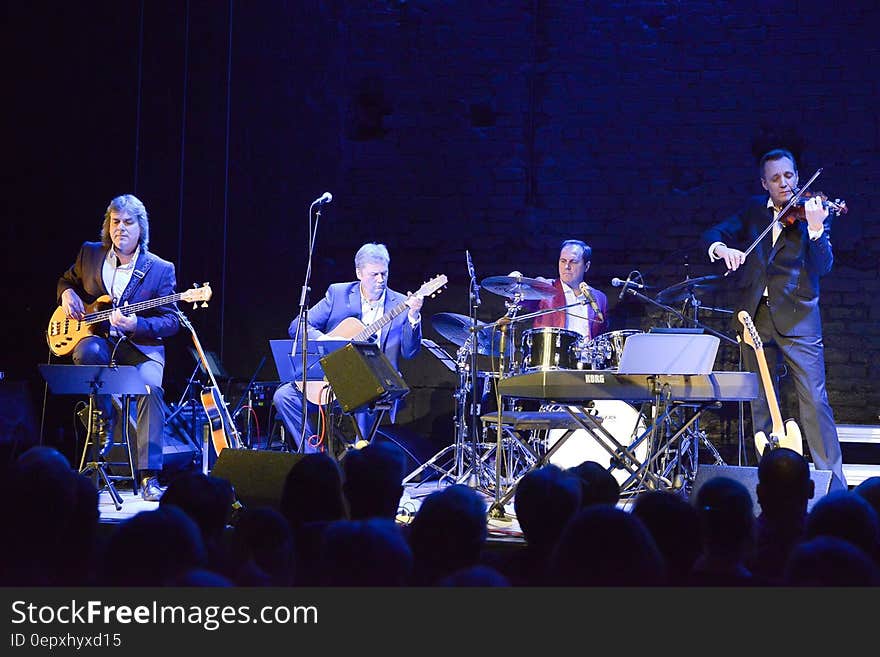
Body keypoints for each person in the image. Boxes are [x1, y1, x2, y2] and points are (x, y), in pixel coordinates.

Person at [702, 149, 846, 490]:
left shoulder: (814, 211)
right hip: (756, 318)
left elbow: (823, 266)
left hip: (799, 318)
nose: (785, 183)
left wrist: (816, 230)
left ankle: (834, 485)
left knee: (814, 400)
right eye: (777, 178)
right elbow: (713, 234)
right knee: (761, 403)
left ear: (797, 175)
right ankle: (768, 481)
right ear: (764, 183)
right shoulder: (755, 210)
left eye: (790, 175)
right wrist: (723, 250)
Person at [57, 194, 179, 501]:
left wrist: (136, 324)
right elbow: (66, 280)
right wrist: (66, 293)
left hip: (140, 347)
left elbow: (171, 322)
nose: (120, 229)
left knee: (151, 389)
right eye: (115, 222)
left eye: (127, 223)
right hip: (100, 340)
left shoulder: (160, 269)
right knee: (86, 352)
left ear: (141, 228)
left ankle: (150, 477)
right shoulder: (90, 254)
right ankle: (105, 415)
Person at [272, 243, 423, 453]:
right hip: (333, 379)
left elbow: (410, 352)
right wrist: (324, 340)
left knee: (363, 394)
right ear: (359, 273)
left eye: (384, 274)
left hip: (373, 384)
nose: (380, 280)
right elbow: (297, 325)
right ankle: (314, 457)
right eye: (374, 275)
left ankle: (361, 463)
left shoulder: (400, 303)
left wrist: (413, 317)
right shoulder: (339, 293)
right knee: (284, 396)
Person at [511, 239, 609, 340]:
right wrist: (514, 285)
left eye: (573, 262)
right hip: (553, 353)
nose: (566, 266)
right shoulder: (546, 287)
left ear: (586, 266)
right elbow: (520, 298)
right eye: (563, 261)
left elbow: (602, 338)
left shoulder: (600, 298)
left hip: (587, 355)